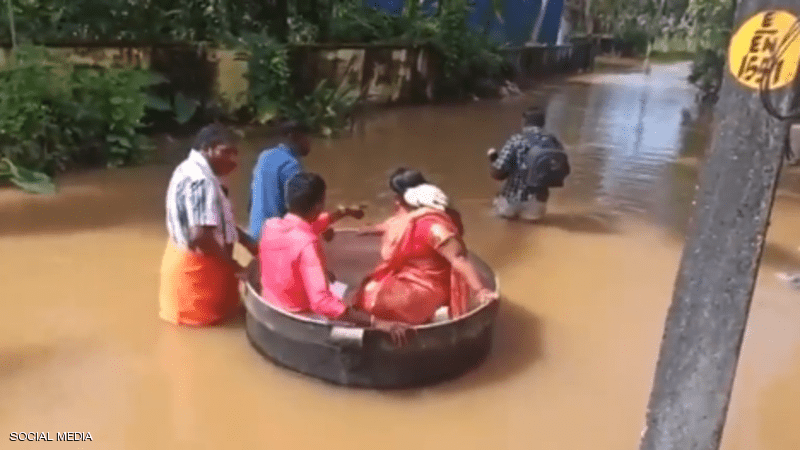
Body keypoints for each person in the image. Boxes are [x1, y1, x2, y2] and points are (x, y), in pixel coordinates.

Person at [258, 172, 410, 346]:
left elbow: (314, 223)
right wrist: (377, 323)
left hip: (273, 306)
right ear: (318, 205)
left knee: (341, 288)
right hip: (302, 319)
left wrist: (343, 213)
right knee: (355, 297)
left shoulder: (271, 226)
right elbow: (321, 303)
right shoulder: (307, 243)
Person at [354, 168, 498, 326]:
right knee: (370, 285)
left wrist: (480, 291)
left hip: (430, 285)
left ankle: (427, 314)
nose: (395, 201)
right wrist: (367, 230)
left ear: (405, 199)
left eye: (397, 197)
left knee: (371, 296)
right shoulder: (412, 220)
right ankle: (427, 314)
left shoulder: (434, 227)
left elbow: (458, 259)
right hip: (411, 277)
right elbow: (389, 225)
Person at [159, 124, 259, 327]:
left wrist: (248, 243)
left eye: (235, 154)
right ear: (207, 149)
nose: (233, 161)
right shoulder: (202, 181)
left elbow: (216, 222)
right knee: (214, 334)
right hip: (197, 276)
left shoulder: (187, 169)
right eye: (226, 152)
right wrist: (235, 267)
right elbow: (201, 237)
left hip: (190, 264)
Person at [488, 106, 570, 221]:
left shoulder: (516, 139)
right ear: (542, 123)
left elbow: (498, 172)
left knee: (498, 214)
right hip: (537, 204)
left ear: (524, 122)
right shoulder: (553, 141)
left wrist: (492, 158)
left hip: (511, 202)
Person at [248, 120, 311, 241]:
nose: (309, 143)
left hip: (255, 233)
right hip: (276, 236)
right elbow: (298, 207)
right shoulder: (291, 163)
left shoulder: (264, 156)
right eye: (307, 138)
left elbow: (251, 201)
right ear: (295, 137)